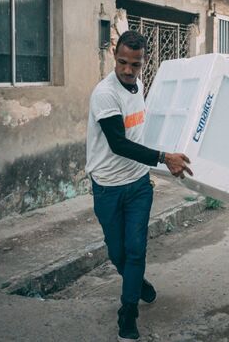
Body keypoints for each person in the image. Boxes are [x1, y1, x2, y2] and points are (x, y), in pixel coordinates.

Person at [85, 30, 193, 341]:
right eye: (122, 62)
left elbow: (143, 131)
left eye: (135, 64)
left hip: (138, 185)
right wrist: (163, 157)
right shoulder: (105, 94)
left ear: (143, 62)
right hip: (107, 187)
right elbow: (118, 143)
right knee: (117, 254)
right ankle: (137, 282)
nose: (128, 70)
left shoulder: (139, 87)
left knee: (135, 250)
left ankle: (128, 312)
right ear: (114, 56)